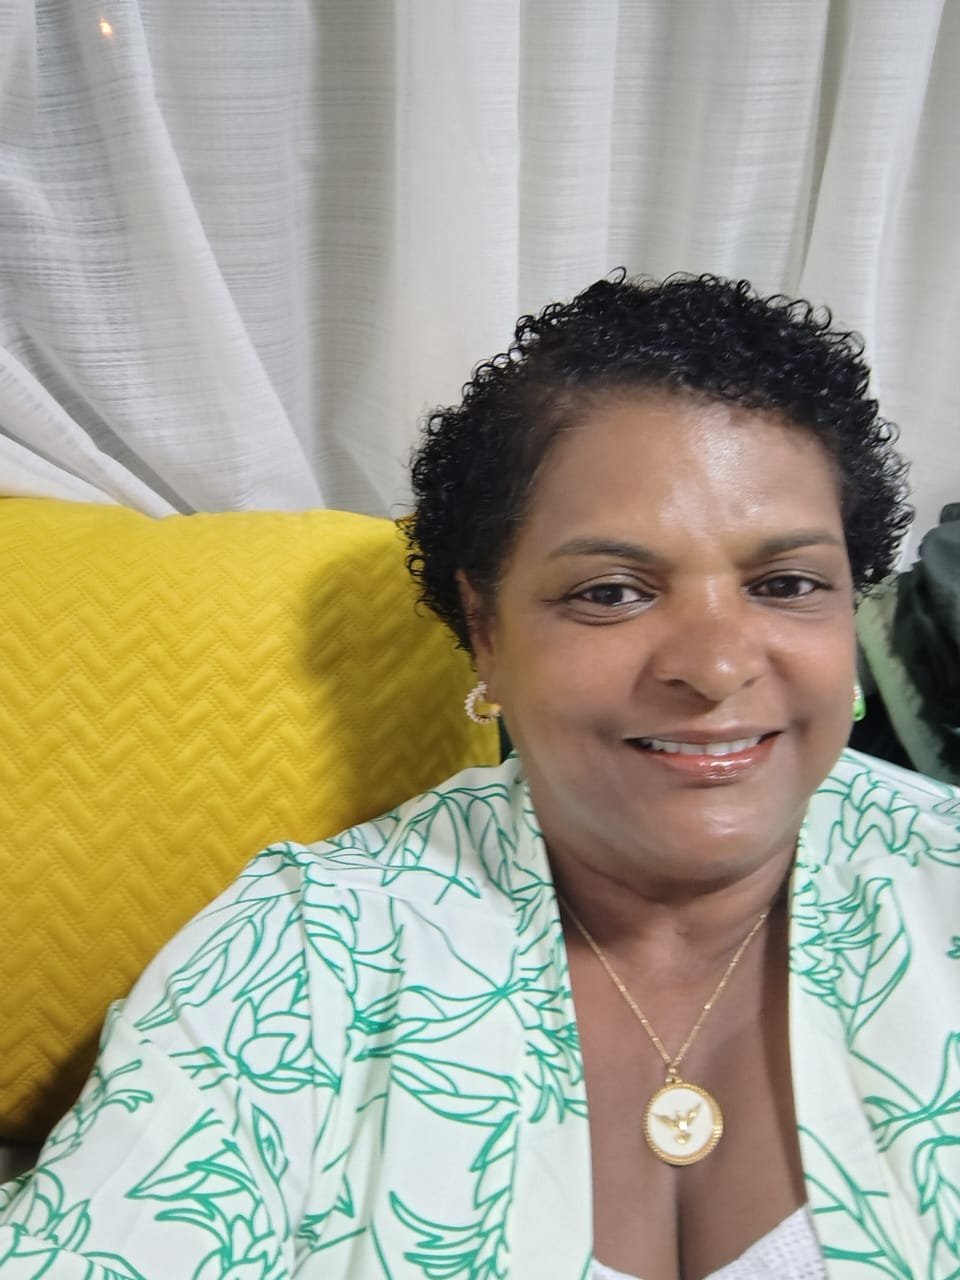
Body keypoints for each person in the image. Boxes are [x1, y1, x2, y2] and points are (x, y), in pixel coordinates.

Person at [1, 273, 957, 1280]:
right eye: (612, 592)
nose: (716, 666)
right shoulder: (301, 958)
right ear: (487, 632)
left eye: (787, 583)